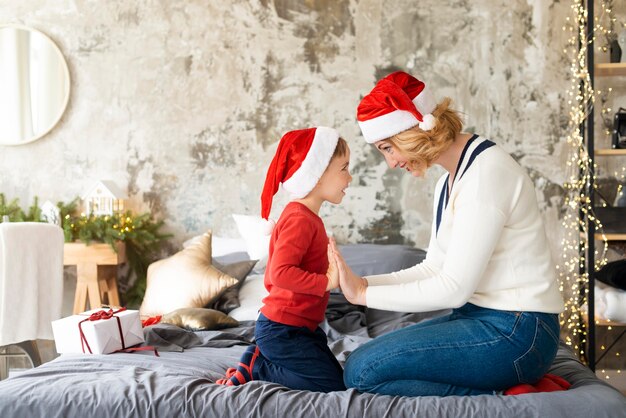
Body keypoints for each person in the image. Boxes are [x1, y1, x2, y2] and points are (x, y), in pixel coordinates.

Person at [329, 71, 566, 397]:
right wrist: (362, 284)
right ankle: (505, 387)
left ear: (413, 132)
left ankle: (504, 396)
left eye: (387, 148)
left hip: (519, 333)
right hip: (481, 319)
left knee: (363, 371)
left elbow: (452, 290)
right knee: (359, 363)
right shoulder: (450, 180)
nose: (391, 163)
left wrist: (362, 296)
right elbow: (432, 269)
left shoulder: (485, 176)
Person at [217, 127, 351, 392]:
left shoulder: (305, 217)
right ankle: (257, 366)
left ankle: (262, 359)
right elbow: (279, 273)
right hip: (283, 330)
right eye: (344, 169)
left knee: (338, 379)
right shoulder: (300, 219)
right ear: (318, 175)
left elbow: (278, 275)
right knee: (331, 386)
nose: (350, 178)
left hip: (300, 328)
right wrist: (325, 282)